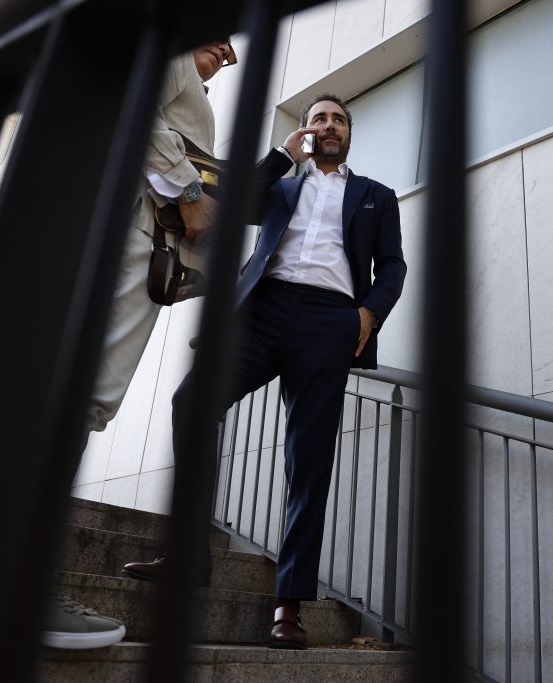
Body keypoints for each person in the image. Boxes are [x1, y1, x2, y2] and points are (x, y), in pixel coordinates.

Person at [123, 93, 406, 650]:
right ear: (306, 130)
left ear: (349, 133)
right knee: (191, 402)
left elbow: (393, 264)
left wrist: (368, 313)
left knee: (309, 458)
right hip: (262, 311)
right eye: (318, 118)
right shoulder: (281, 185)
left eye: (338, 119)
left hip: (330, 320)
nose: (328, 125)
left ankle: (289, 603)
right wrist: (282, 155)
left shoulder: (375, 195)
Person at [41, 38, 237, 651]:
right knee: (87, 394)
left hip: (133, 235)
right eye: (221, 39)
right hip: (136, 234)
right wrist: (189, 193)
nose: (225, 52)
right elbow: (136, 107)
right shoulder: (174, 52)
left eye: (231, 50)